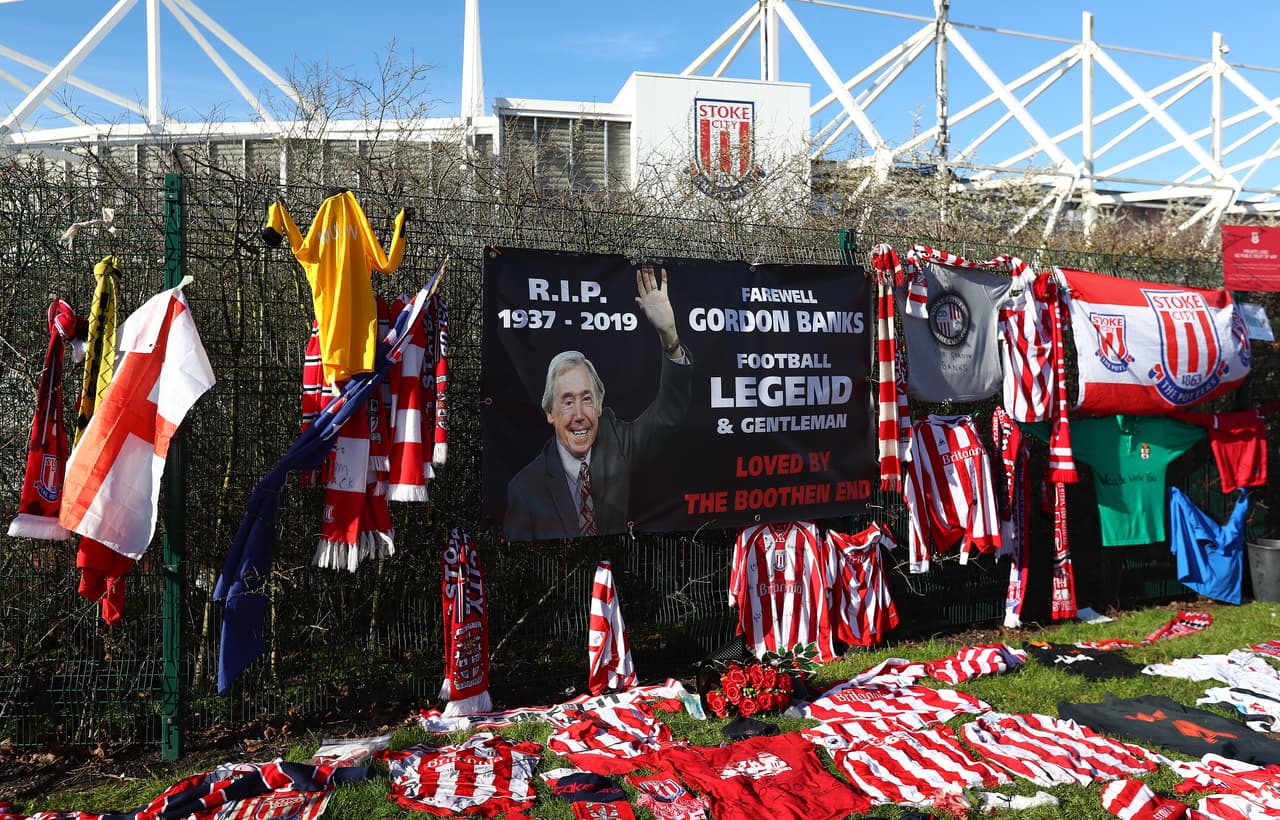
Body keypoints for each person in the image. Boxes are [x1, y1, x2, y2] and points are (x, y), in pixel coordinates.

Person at [504, 266, 692, 541]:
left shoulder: (616, 442)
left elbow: (668, 414)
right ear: (549, 413)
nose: (580, 415)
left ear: (600, 405)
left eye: (587, 398)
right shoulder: (525, 489)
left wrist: (669, 336)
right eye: (567, 402)